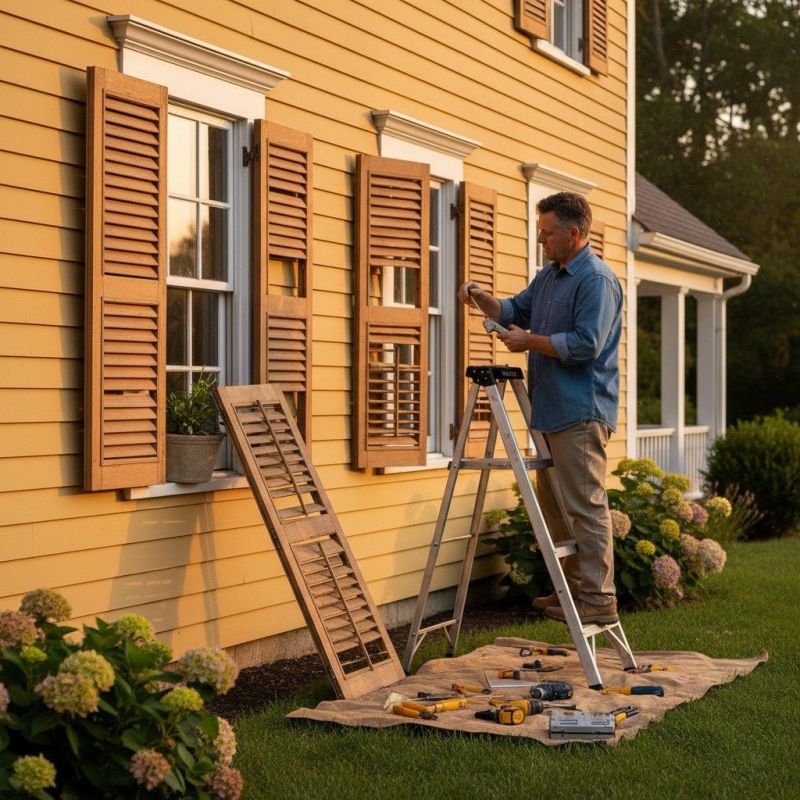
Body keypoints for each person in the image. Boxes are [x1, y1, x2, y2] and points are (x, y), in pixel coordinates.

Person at [458, 192, 623, 625]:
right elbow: (515, 309)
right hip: (548, 411)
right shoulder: (550, 277)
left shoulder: (596, 281)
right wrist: (482, 298)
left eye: (547, 233)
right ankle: (572, 590)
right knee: (555, 506)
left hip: (580, 411)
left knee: (585, 505)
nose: (541, 240)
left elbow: (586, 344)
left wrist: (528, 341)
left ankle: (600, 598)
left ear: (574, 233)